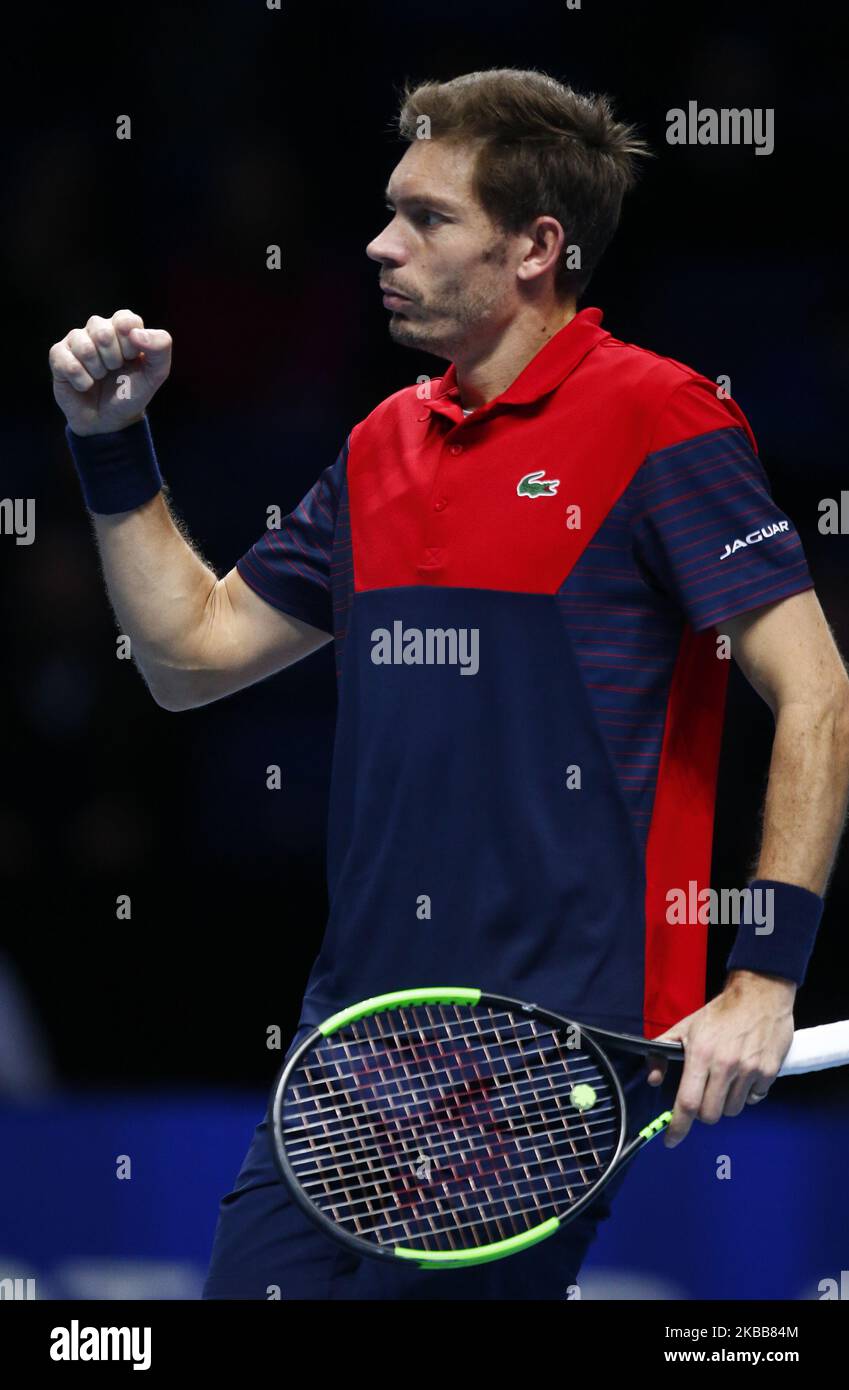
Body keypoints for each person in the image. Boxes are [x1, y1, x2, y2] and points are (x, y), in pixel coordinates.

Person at [49, 69, 849, 1300]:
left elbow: (816, 692)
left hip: (550, 1064)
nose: (379, 242)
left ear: (537, 247)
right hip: (352, 1053)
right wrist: (111, 446)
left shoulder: (662, 419)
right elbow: (189, 658)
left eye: (427, 217)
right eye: (387, 210)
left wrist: (764, 976)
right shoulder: (381, 444)